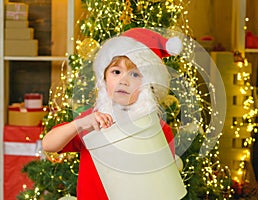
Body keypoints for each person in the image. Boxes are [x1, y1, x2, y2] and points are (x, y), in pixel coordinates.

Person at [42, 27, 184, 199]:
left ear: (148, 84)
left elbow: (162, 185)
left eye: (135, 74)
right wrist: (79, 124)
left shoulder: (160, 130)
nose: (123, 81)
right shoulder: (94, 120)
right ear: (104, 79)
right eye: (116, 72)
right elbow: (48, 144)